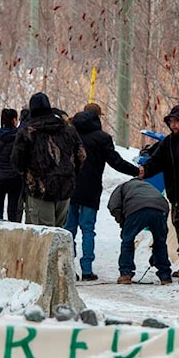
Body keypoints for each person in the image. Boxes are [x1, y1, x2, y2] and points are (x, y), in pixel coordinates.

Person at [66, 108, 139, 281]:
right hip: (91, 190)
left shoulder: (69, 135)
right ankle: (86, 270)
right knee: (88, 230)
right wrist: (135, 171)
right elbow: (116, 161)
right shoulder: (102, 138)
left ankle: (68, 267)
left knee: (69, 230)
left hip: (69, 189)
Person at [10, 92, 86, 227]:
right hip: (65, 188)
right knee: (59, 233)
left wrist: (28, 176)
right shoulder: (68, 129)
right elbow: (81, 155)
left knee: (41, 236)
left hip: (39, 190)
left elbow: (17, 161)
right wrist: (70, 174)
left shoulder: (27, 131)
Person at [139, 104, 179, 261]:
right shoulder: (169, 142)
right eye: (171, 122)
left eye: (176, 122)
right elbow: (157, 161)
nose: (173, 126)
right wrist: (144, 171)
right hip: (175, 193)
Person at [107, 178, 173, 285]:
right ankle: (165, 276)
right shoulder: (150, 187)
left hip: (136, 209)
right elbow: (164, 205)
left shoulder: (122, 187)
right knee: (160, 243)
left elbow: (113, 206)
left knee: (127, 242)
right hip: (159, 208)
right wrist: (157, 254)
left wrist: (124, 225)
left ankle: (125, 274)